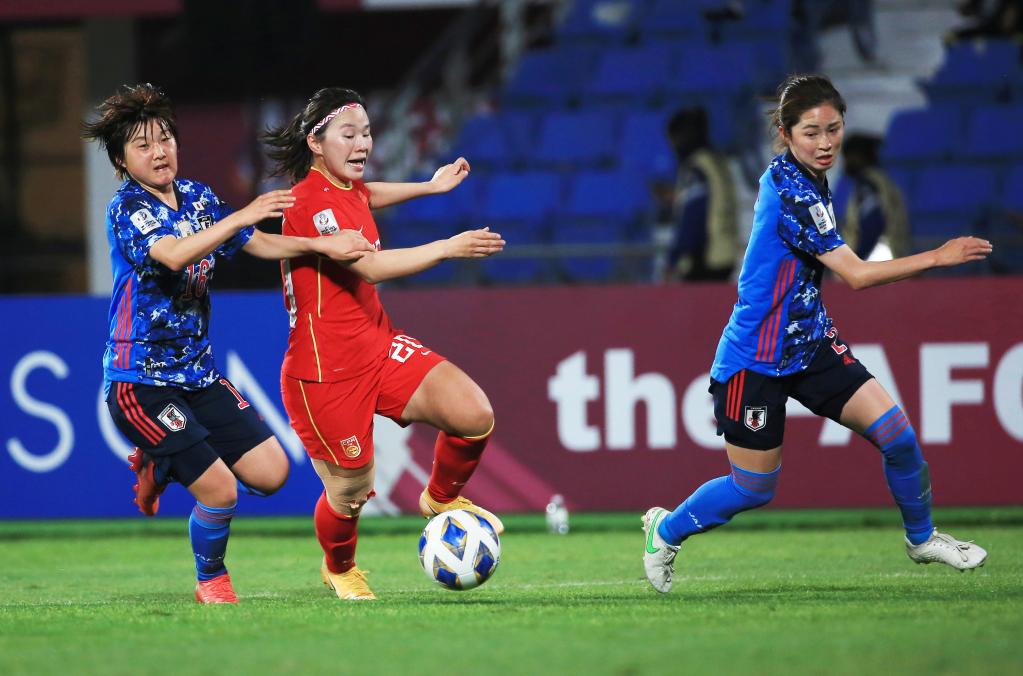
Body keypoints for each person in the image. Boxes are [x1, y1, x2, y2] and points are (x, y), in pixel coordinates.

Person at [642, 74, 992, 594]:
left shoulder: (809, 177)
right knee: (753, 488)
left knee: (898, 437)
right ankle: (665, 531)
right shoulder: (793, 191)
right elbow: (856, 276)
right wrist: (939, 257)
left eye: (833, 129)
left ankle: (922, 539)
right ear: (785, 134)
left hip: (810, 345)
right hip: (755, 359)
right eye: (811, 132)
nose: (826, 143)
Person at [82, 83, 375, 605]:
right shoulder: (128, 208)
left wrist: (320, 244)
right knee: (221, 490)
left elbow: (256, 242)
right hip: (139, 381)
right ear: (122, 160)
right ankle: (211, 580)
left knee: (272, 473)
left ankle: (160, 461)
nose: (160, 151)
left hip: (198, 376)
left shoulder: (197, 197)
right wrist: (242, 214)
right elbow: (174, 255)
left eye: (166, 139)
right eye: (144, 145)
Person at [262, 87, 505, 601]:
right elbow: (370, 266)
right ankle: (340, 566)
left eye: (367, 133)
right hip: (324, 373)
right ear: (315, 143)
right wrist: (448, 246)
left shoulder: (344, 186)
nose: (363, 144)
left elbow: (367, 194)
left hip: (378, 345)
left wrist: (430, 187)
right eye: (348, 134)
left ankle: (440, 499)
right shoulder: (307, 202)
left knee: (473, 414)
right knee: (350, 491)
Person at [662, 106, 739, 282]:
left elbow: (694, 215)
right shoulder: (717, 162)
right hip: (725, 253)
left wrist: (674, 259)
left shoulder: (697, 168)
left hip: (703, 258)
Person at [839, 133, 910, 260]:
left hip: (877, 259)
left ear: (858, 156)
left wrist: (856, 259)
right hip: (889, 258)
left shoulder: (868, 186)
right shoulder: (883, 182)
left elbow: (872, 223)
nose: (845, 163)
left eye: (847, 157)